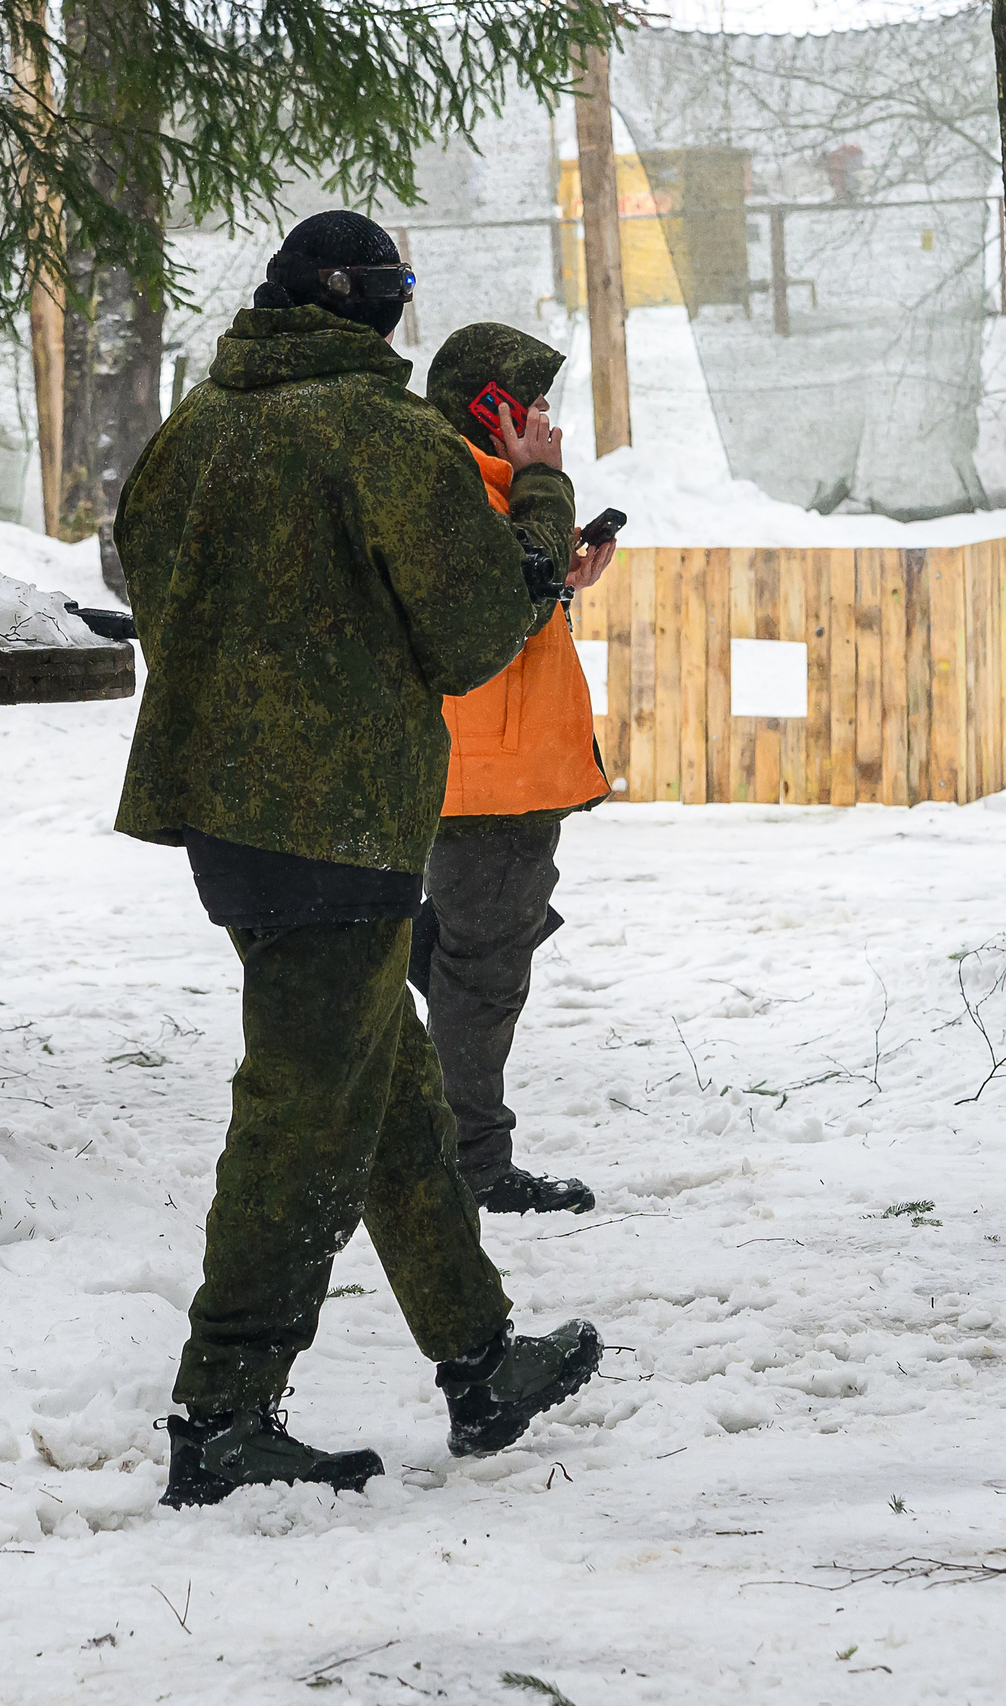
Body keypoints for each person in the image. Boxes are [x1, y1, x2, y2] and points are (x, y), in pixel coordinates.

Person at [114, 213, 604, 1507]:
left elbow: (148, 580)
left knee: (390, 1100)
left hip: (223, 815)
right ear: (384, 311)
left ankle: (481, 1360)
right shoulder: (385, 438)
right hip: (337, 820)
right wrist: (541, 499)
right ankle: (221, 1414)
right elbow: (475, 634)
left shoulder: (192, 432)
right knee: (298, 1122)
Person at [410, 325, 617, 1216]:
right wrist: (542, 481)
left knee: (488, 942)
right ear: (486, 406)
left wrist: (562, 577)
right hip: (488, 780)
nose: (543, 419)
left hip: (501, 772)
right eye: (527, 402)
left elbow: (511, 599)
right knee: (487, 966)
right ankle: (476, 1164)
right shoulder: (459, 482)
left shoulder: (487, 487)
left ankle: (432, 972)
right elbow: (484, 613)